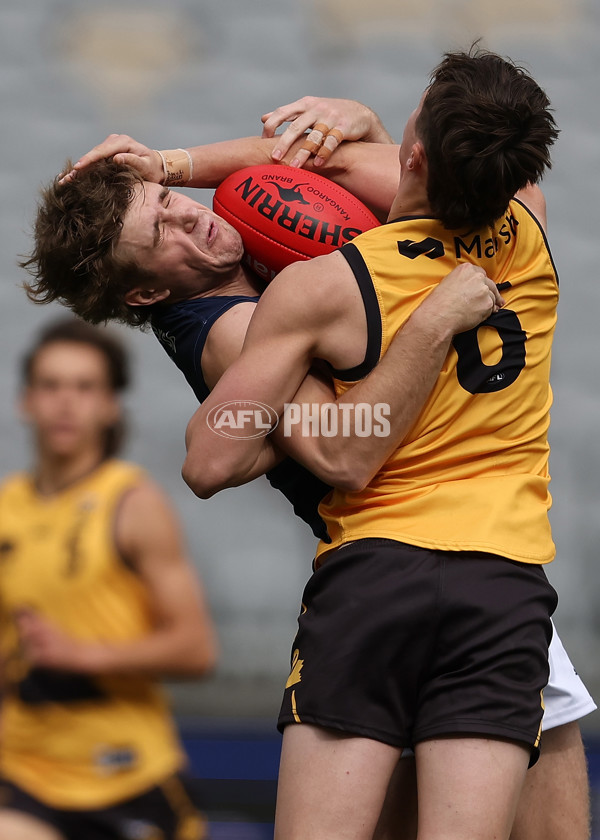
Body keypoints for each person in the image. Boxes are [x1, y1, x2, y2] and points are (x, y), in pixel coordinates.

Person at [20, 54, 594, 838]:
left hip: (458, 567)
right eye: (164, 227)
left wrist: (177, 161)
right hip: (409, 556)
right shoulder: (236, 327)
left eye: (170, 199)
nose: (193, 215)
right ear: (148, 291)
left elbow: (370, 186)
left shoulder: (272, 268)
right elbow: (336, 447)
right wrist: (425, 317)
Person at [173, 47, 564, 840]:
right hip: (504, 587)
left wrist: (297, 418)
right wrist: (377, 130)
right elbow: (441, 181)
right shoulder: (532, 230)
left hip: (376, 579)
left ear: (414, 154)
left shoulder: (322, 286)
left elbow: (211, 459)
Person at [0, 317, 218, 840]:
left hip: (126, 772)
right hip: (25, 770)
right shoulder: (6, 509)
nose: (66, 402)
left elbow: (196, 649)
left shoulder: (133, 503)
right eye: (51, 386)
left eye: (84, 387)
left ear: (110, 406)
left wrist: (83, 654)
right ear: (26, 401)